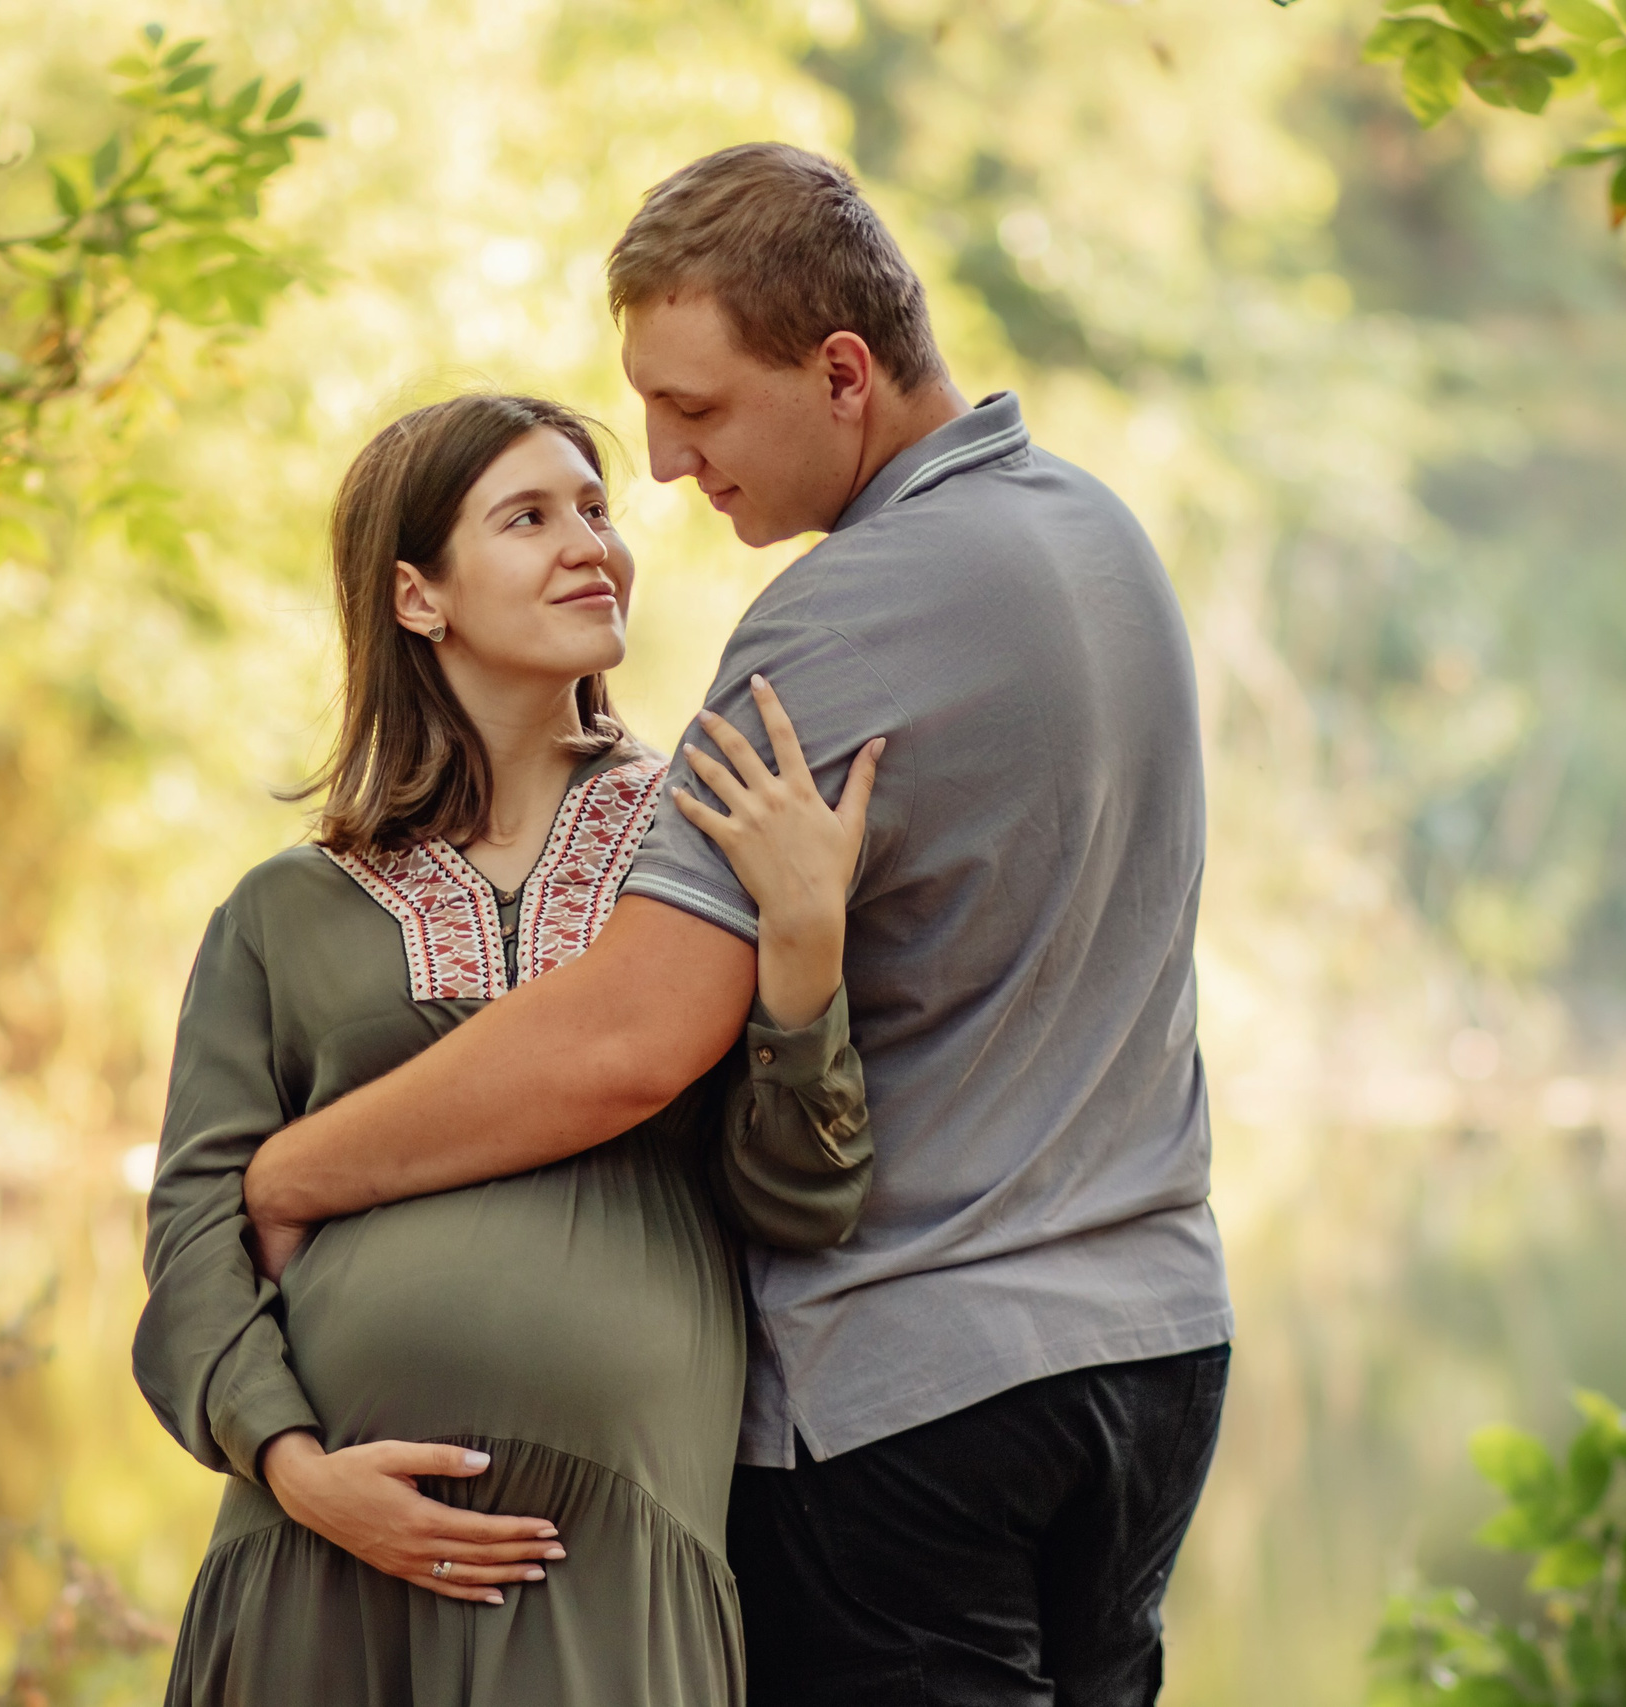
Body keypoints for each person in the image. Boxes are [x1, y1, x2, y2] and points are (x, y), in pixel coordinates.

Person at [244, 144, 1234, 1706]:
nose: (658, 468)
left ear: (843, 373)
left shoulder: (851, 611)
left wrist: (299, 1163)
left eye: (695, 410)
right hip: (1156, 1351)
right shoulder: (1099, 538)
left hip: (920, 1403)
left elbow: (631, 1037)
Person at [133, 391, 885, 1706]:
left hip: (609, 1559)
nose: (589, 542)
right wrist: (300, 1469)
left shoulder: (713, 847)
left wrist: (804, 957)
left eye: (597, 510)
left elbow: (803, 1200)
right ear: (419, 597)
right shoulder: (283, 913)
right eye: (530, 518)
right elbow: (194, 1233)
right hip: (322, 1550)